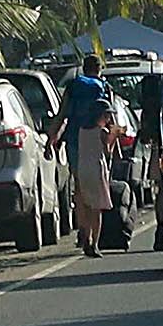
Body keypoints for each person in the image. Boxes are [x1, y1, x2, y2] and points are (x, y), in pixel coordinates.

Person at [56, 61, 123, 257]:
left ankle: (82, 231)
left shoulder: (73, 86)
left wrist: (53, 140)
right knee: (97, 203)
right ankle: (93, 240)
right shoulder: (103, 87)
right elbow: (111, 128)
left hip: (76, 143)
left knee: (79, 191)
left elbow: (62, 115)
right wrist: (115, 148)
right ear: (99, 68)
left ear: (84, 68)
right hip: (97, 159)